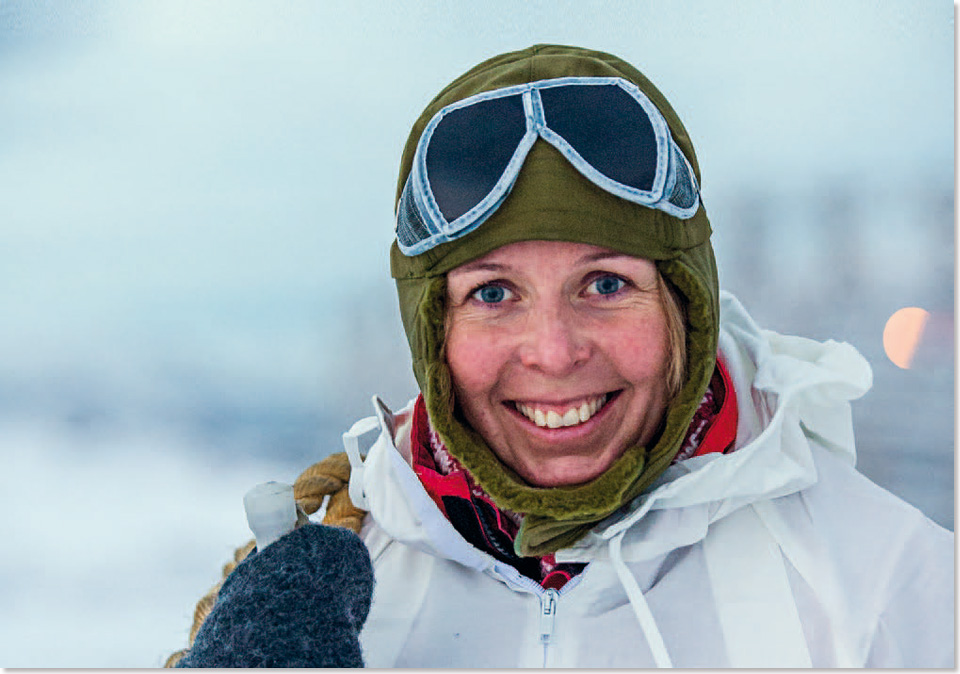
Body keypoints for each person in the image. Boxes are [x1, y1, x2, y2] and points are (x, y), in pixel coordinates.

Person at [167, 44, 954, 668]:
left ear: (686, 302)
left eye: (606, 283)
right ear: (431, 330)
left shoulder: (884, 586)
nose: (553, 352)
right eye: (493, 294)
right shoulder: (328, 590)